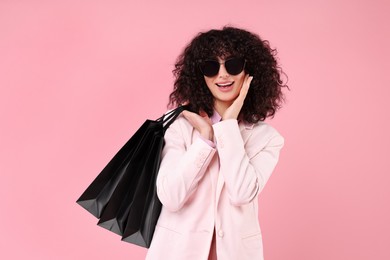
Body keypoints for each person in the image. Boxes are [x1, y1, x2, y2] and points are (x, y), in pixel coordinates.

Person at [145, 26, 288, 260]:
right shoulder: (179, 127)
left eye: (233, 65)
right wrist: (205, 138)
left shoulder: (267, 138)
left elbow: (242, 194)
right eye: (211, 67)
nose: (222, 75)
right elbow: (171, 197)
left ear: (249, 71)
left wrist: (228, 125)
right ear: (200, 76)